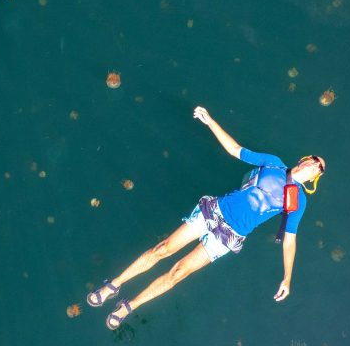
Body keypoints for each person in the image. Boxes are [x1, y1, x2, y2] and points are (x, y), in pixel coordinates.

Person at [87, 106, 326, 330]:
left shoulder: (299, 201)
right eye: (314, 160)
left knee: (179, 272)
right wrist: (210, 121)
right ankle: (114, 284)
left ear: (315, 178)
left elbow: (290, 240)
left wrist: (287, 278)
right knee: (164, 249)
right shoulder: (273, 163)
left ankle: (129, 306)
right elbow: (235, 150)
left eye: (319, 169)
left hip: (229, 236)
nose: (314, 166)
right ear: (303, 159)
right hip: (214, 211)